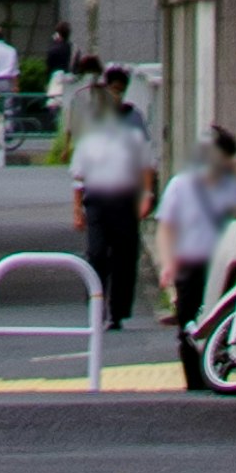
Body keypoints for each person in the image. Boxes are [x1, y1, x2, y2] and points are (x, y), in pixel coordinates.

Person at [156, 124, 236, 390]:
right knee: (189, 322)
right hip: (190, 261)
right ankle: (194, 382)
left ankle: (217, 374)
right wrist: (167, 263)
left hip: (224, 261)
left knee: (223, 319)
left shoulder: (232, 187)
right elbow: (166, 227)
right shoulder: (181, 185)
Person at [67, 76, 157, 330]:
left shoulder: (133, 129)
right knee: (96, 253)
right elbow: (78, 174)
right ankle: (96, 305)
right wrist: (76, 209)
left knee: (124, 256)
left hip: (126, 198)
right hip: (96, 200)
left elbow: (146, 165)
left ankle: (117, 312)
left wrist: (147, 195)